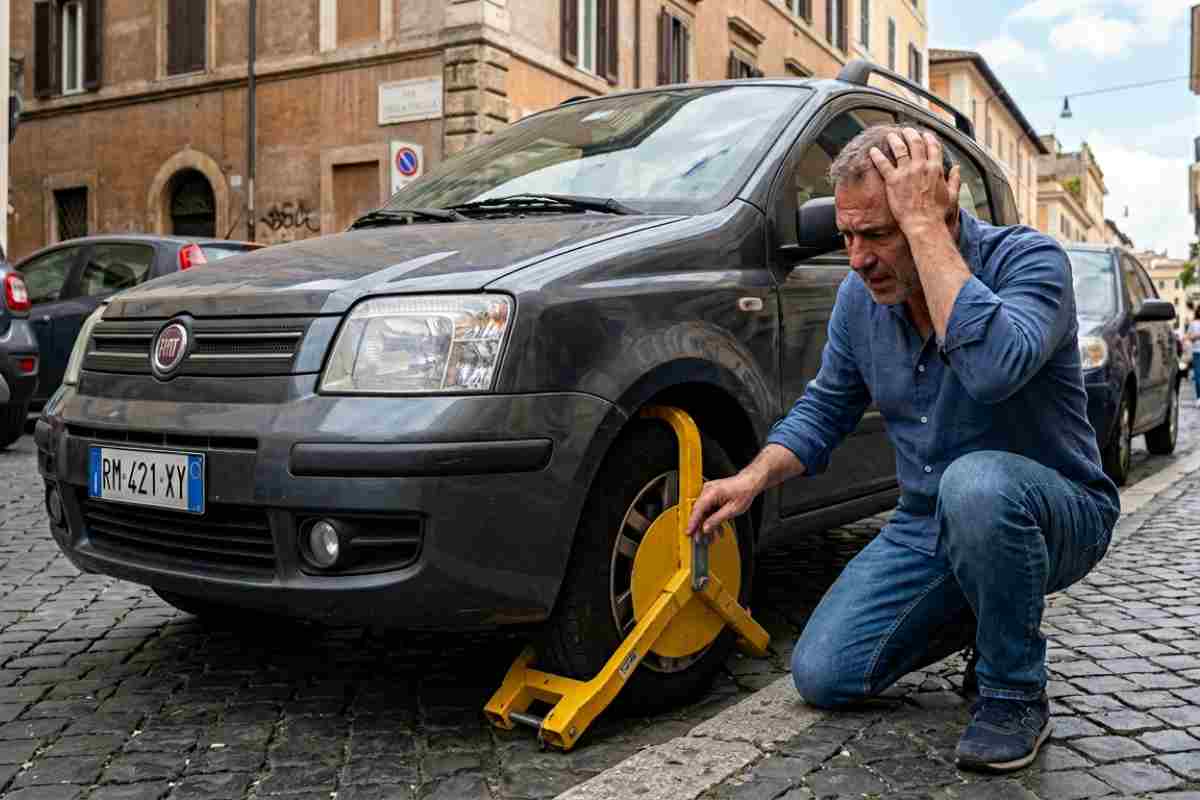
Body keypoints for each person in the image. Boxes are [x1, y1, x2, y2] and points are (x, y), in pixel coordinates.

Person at [685, 125, 1120, 773]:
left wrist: (924, 229)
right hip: (927, 527)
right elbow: (824, 409)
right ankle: (987, 610)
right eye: (848, 236)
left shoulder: (1031, 262)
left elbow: (994, 368)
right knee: (824, 674)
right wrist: (750, 480)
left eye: (879, 235)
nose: (857, 259)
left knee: (976, 486)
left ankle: (1013, 690)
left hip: (1054, 512)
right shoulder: (859, 302)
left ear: (938, 211)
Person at [1188, 312, 1200, 406]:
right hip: (1197, 351)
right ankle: (1199, 397)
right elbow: (1189, 337)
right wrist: (1197, 336)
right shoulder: (1193, 323)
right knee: (1198, 375)